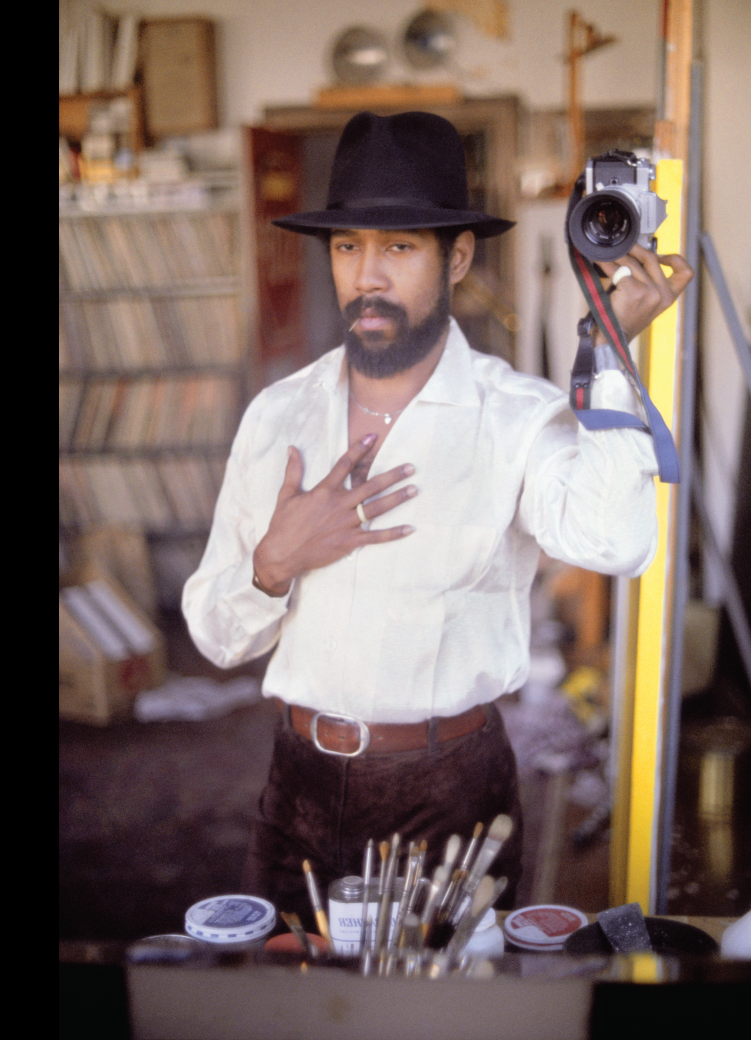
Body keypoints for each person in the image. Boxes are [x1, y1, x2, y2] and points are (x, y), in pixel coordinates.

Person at [182, 111, 692, 928]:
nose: (368, 276)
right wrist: (270, 565)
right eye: (349, 248)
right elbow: (216, 637)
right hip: (297, 788)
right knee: (282, 1003)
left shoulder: (519, 416)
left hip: (448, 793)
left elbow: (617, 543)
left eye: (400, 247)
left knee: (442, 1014)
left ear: (457, 255)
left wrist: (607, 349)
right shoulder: (277, 416)